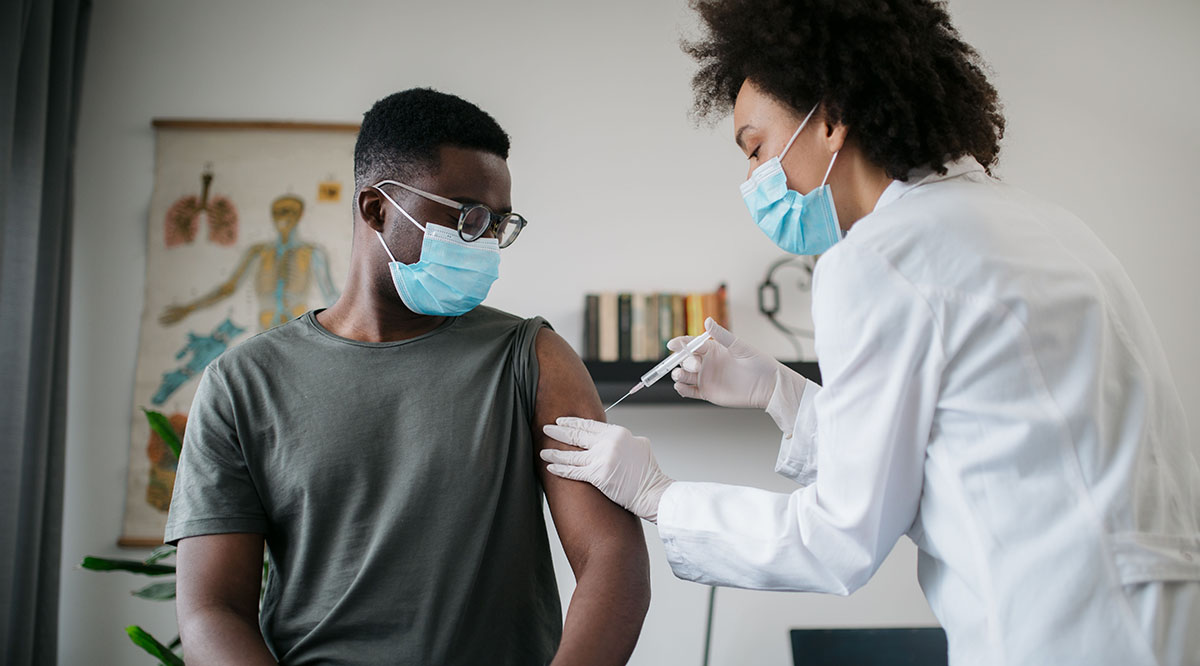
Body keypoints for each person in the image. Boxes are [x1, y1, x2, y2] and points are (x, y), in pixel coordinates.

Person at [539, 1, 1200, 664]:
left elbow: (839, 538)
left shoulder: (879, 257)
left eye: (757, 149)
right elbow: (969, 442)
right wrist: (779, 391)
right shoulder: (1040, 225)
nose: (753, 181)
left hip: (1056, 632)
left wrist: (661, 496)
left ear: (828, 119)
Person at [166, 88, 650, 665]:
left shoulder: (532, 359)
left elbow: (611, 560)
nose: (486, 242)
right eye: (465, 215)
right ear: (376, 209)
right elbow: (211, 610)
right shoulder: (244, 383)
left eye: (499, 224)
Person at [159, 193, 339, 332]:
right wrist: (189, 308)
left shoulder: (313, 253)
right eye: (277, 212)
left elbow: (331, 296)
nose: (282, 217)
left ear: (299, 215)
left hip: (301, 325)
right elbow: (228, 288)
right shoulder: (257, 252)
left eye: (288, 211)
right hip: (266, 325)